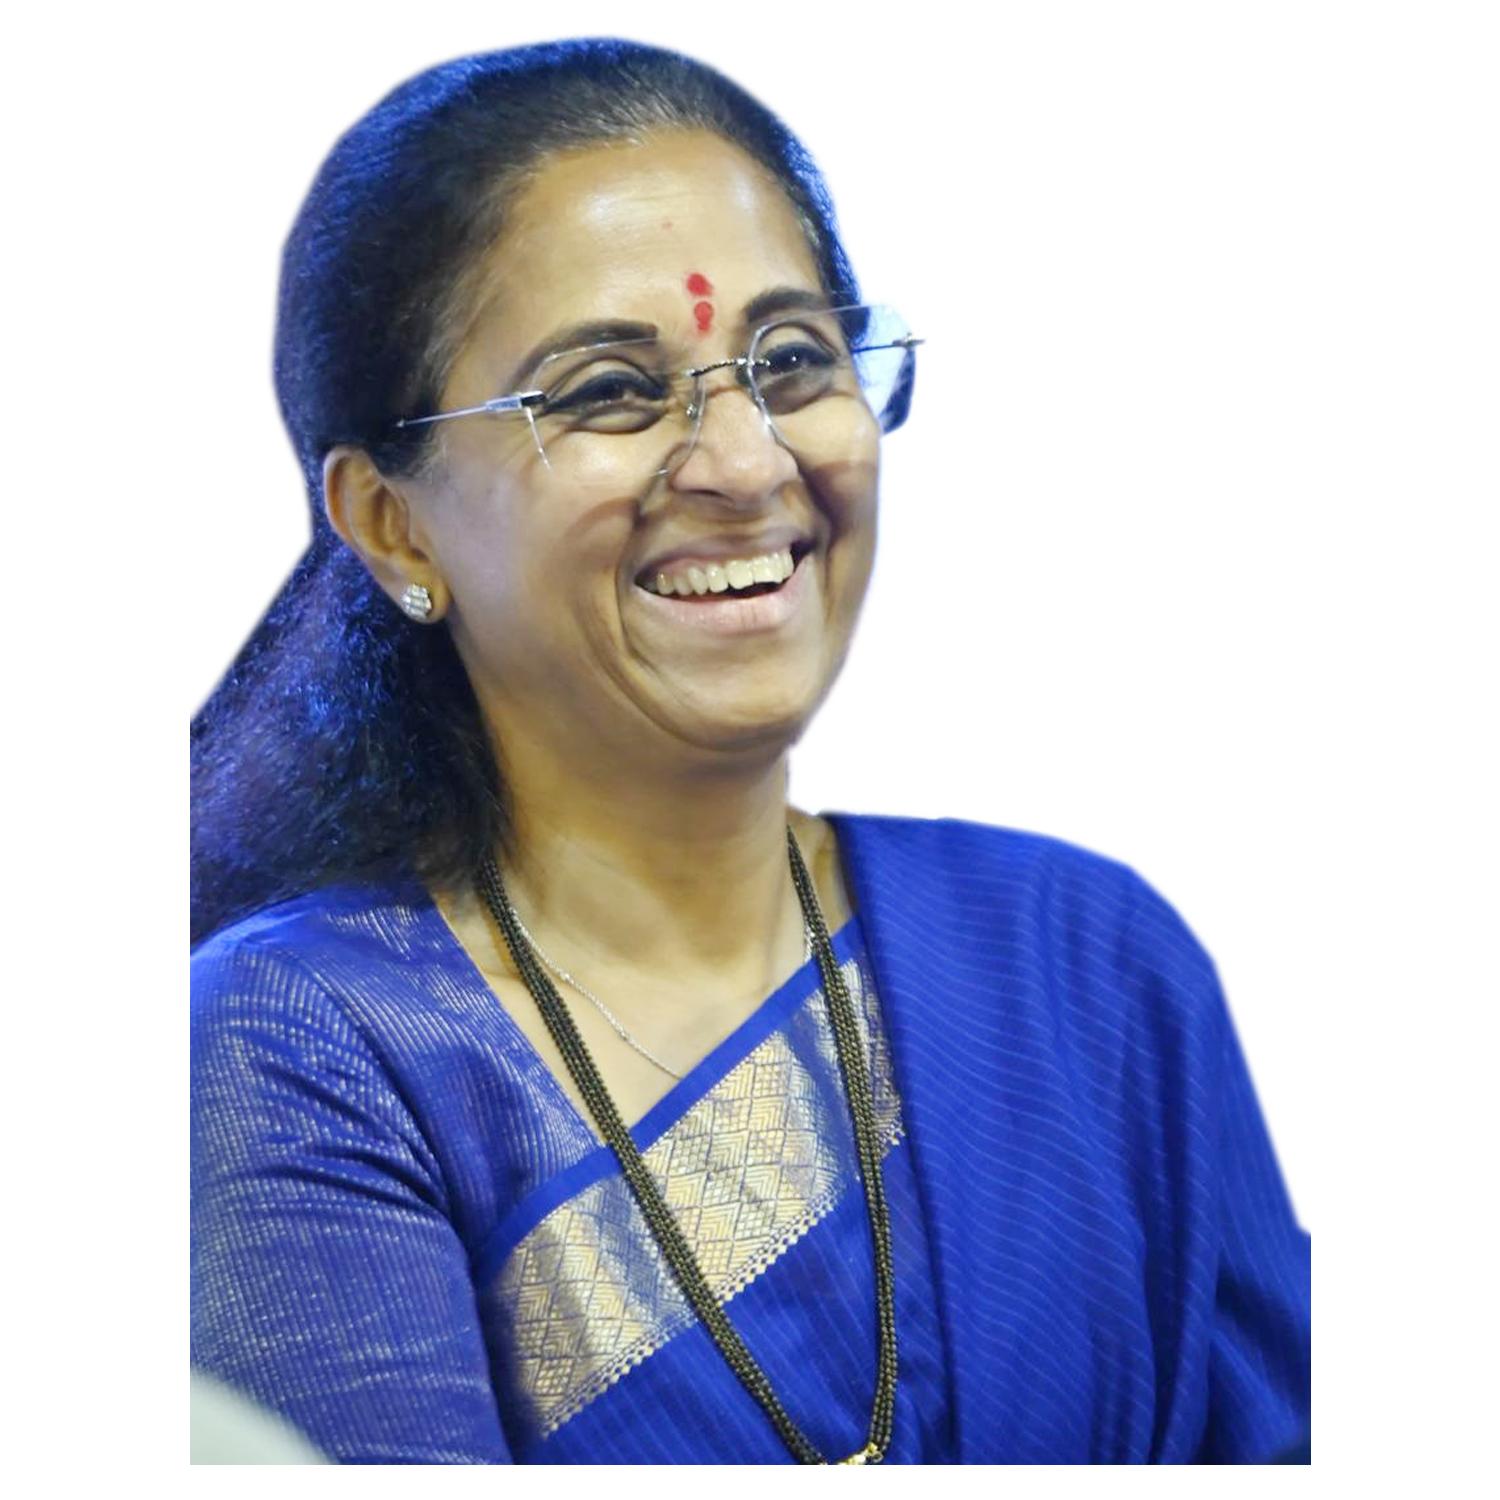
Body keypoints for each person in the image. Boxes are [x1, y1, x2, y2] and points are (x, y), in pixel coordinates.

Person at [190, 36, 1311, 1465]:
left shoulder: (1087, 963)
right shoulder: (315, 1045)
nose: (747, 462)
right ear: (392, 526)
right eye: (607, 389)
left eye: (791, 363)